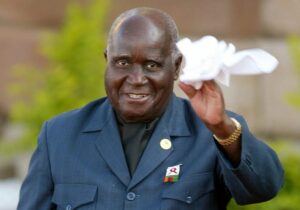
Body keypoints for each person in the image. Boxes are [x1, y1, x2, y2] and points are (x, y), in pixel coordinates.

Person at [17, 7, 284, 210]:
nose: (136, 79)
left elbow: (264, 188)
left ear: (177, 66)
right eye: (123, 63)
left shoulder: (212, 133)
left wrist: (222, 128)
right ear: (107, 60)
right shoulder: (60, 135)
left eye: (152, 65)